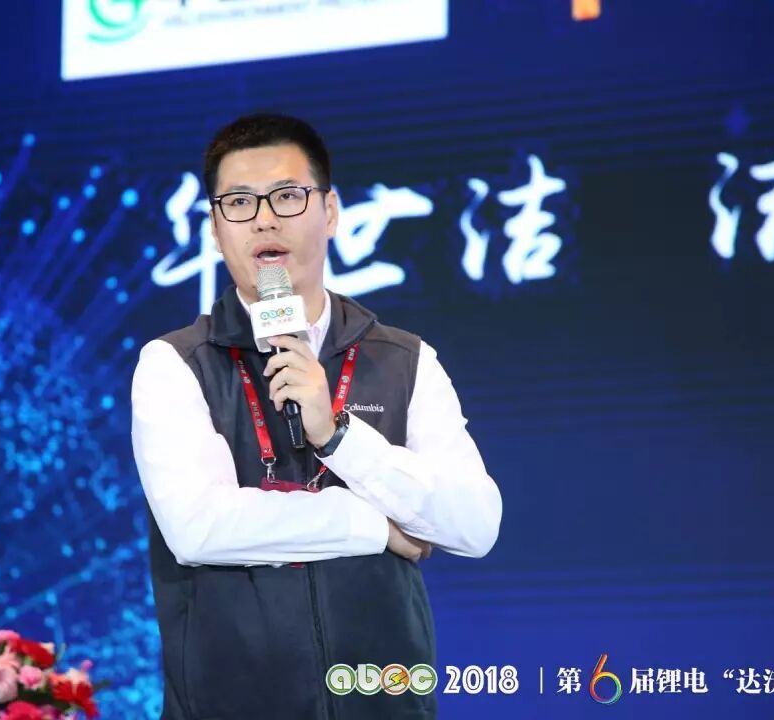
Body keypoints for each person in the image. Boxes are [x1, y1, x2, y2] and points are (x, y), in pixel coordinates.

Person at [131, 113, 502, 720]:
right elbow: (198, 527)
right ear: (216, 230)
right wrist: (375, 527)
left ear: (329, 211)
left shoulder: (404, 359)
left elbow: (475, 524)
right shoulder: (175, 363)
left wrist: (339, 435)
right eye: (239, 203)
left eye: (286, 195)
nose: (264, 219)